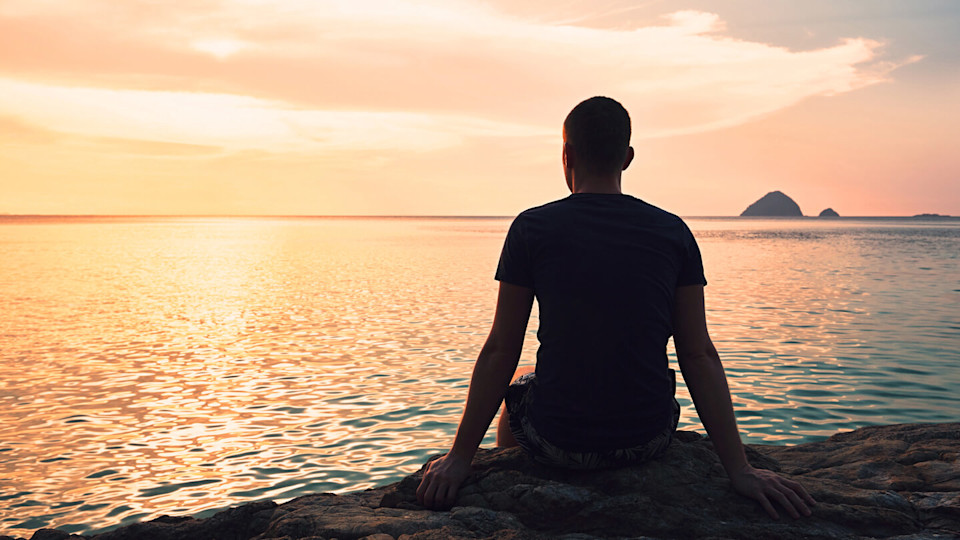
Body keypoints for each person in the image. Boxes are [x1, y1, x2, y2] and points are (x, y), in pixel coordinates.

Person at [416, 96, 815, 520]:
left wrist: (460, 458)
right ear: (627, 157)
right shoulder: (673, 232)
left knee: (517, 379)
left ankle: (518, 487)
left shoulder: (531, 228)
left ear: (566, 154)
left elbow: (501, 348)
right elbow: (697, 354)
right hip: (647, 440)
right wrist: (740, 469)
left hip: (557, 443)